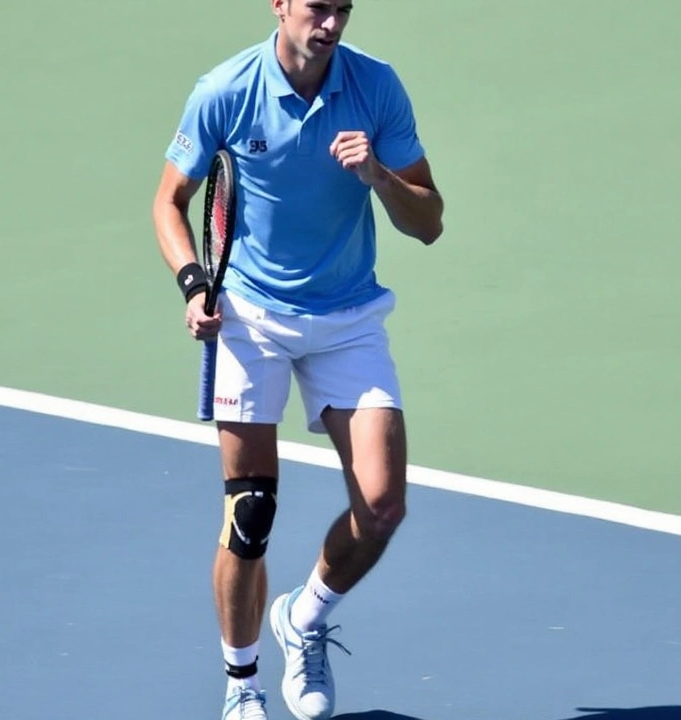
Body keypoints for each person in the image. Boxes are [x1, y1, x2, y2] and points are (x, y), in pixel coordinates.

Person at [150, 2, 444, 719]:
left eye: (344, 8)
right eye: (318, 6)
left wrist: (376, 172)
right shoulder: (224, 89)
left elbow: (429, 222)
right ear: (279, 3)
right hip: (251, 319)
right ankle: (241, 685)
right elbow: (169, 202)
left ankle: (304, 617)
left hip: (348, 320)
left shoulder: (376, 88)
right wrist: (194, 286)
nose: (333, 23)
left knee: (381, 508)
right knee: (249, 514)